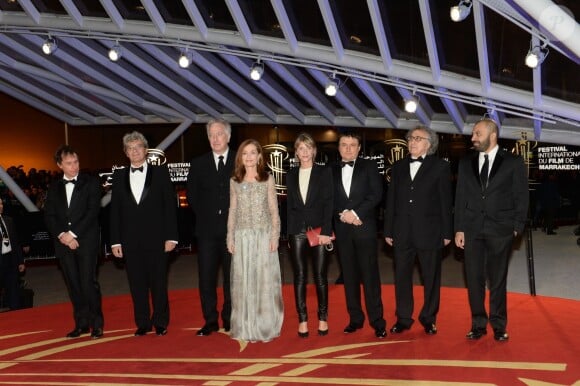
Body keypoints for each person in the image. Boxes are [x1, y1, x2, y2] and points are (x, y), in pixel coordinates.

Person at [454, 118, 529, 342]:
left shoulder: (513, 162)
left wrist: (517, 227)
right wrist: (459, 229)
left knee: (497, 280)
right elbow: (460, 198)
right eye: (474, 134)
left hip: (501, 229)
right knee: (474, 278)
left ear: (492, 135)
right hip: (472, 229)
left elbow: (521, 197)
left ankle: (498, 324)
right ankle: (478, 324)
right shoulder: (466, 162)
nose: (473, 138)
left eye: (477, 133)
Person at [383, 127, 453, 335]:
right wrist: (388, 230)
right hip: (402, 232)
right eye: (410, 138)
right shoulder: (398, 167)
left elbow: (445, 202)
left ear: (429, 144)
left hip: (430, 232)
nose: (412, 142)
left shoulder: (440, 167)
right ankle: (403, 318)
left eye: (418, 139)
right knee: (402, 277)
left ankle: (429, 318)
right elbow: (391, 201)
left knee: (431, 278)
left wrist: (447, 232)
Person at [109, 131, 178, 337]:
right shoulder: (119, 175)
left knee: (158, 283)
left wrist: (171, 237)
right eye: (130, 148)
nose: (135, 151)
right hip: (130, 241)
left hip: (157, 238)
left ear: (145, 150)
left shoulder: (160, 172)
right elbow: (115, 211)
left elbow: (170, 207)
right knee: (136, 284)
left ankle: (161, 321)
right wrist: (114, 242)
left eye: (138, 147)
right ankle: (142, 323)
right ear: (125, 153)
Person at [226, 139, 283, 342]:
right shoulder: (234, 181)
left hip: (263, 237)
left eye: (253, 153)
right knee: (244, 282)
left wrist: (274, 236)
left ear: (259, 156)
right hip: (242, 238)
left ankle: (264, 325)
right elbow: (233, 210)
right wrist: (230, 236)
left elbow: (274, 210)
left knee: (264, 282)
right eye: (245, 153)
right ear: (240, 157)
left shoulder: (267, 179)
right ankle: (244, 325)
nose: (249, 157)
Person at [44, 145, 104, 338]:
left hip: (86, 240)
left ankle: (97, 324)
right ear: (60, 165)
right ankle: (81, 324)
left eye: (76, 162)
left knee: (88, 283)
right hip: (64, 243)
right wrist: (63, 235)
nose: (74, 166)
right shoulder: (54, 187)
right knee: (73, 285)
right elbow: (50, 216)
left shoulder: (91, 183)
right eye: (69, 163)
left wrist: (73, 234)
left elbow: (92, 211)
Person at [332, 132, 387, 338]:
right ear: (338, 148)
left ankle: (378, 321)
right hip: (343, 230)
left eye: (352, 145)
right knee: (350, 277)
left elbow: (376, 194)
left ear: (359, 148)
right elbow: (328, 198)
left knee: (370, 276)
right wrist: (343, 215)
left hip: (365, 228)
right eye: (344, 145)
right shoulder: (331, 170)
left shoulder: (369, 167)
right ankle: (355, 319)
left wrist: (355, 213)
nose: (348, 148)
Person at [186, 118, 235, 336]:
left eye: (219, 134)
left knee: (232, 278)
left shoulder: (240, 160)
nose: (215, 139)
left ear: (228, 136)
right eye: (211, 135)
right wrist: (209, 217)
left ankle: (230, 318)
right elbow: (192, 197)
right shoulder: (198, 163)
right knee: (206, 278)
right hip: (206, 232)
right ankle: (210, 320)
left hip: (233, 232)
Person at [286, 133, 333, 338]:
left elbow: (329, 203)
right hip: (296, 231)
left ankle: (322, 318)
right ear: (296, 152)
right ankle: (302, 320)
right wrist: (288, 233)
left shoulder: (324, 172)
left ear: (314, 151)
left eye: (308, 148)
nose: (304, 152)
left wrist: (326, 232)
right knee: (299, 277)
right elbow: (289, 207)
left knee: (320, 277)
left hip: (319, 231)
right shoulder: (290, 174)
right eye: (300, 148)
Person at [0, 199, 25, 311]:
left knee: (14, 290)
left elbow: (15, 242)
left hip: (11, 259)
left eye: (1, 203)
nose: (0, 206)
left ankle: (17, 316)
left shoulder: (8, 220)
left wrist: (20, 261)